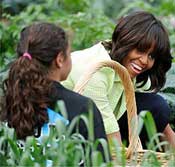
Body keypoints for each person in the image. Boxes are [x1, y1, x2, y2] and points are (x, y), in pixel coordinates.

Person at [62, 11, 175, 149]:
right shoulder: (96, 73)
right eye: (140, 49)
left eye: (151, 56)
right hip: (65, 130)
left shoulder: (122, 58)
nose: (144, 61)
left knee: (157, 106)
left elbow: (155, 109)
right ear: (126, 41)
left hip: (100, 120)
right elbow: (110, 136)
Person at [1, 22, 110, 161]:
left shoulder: (10, 101)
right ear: (59, 59)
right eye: (69, 53)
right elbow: (101, 161)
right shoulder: (82, 108)